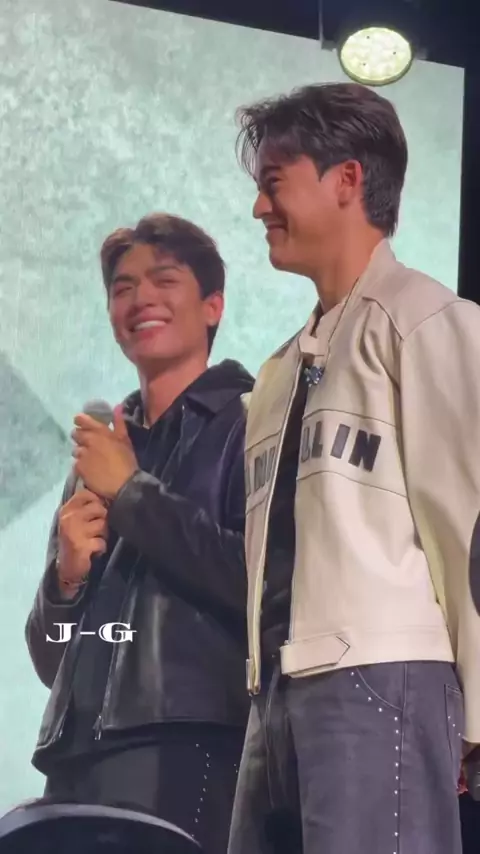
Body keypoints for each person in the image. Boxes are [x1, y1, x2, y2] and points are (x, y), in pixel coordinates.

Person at [227, 82, 480, 854]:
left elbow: (468, 526)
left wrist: (477, 712)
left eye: (274, 183)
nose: (259, 208)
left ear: (347, 179)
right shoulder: (276, 372)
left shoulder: (426, 320)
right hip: (275, 691)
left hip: (384, 674)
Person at [26, 213, 254, 854]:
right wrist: (65, 581)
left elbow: (261, 582)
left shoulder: (249, 421)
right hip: (74, 753)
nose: (139, 298)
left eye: (164, 280)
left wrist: (130, 494)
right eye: (122, 288)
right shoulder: (102, 447)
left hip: (187, 747)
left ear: (213, 306)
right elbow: (50, 658)